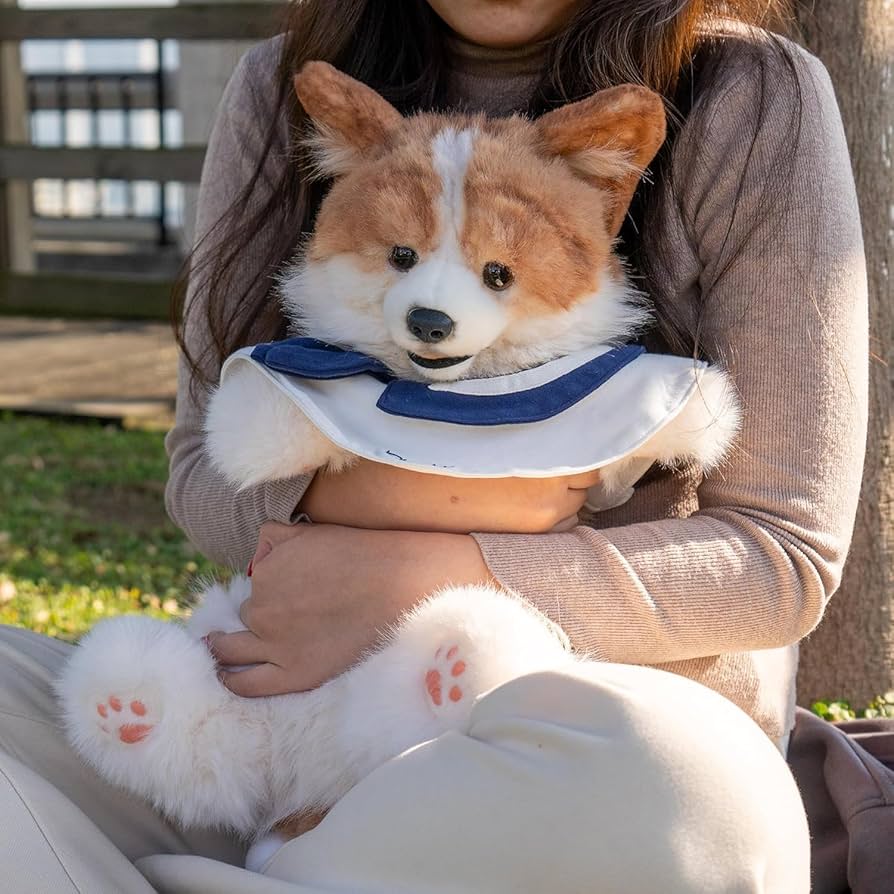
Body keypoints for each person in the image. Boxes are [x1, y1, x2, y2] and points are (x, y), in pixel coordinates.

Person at [0, 1, 867, 892]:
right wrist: (476, 499)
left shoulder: (749, 94)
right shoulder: (282, 80)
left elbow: (780, 557)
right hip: (282, 733)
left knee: (673, 797)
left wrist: (432, 574)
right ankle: (274, 854)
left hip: (590, 739)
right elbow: (201, 472)